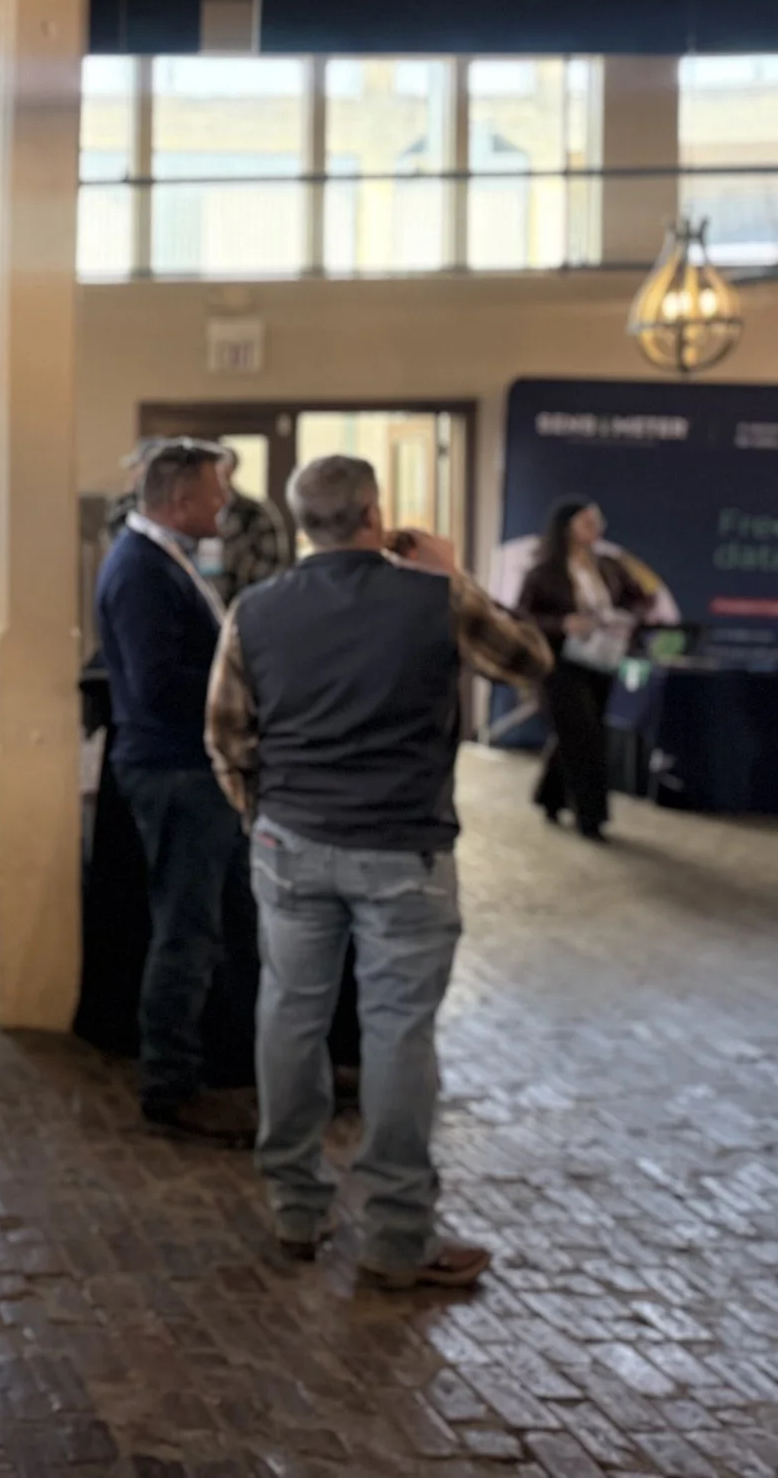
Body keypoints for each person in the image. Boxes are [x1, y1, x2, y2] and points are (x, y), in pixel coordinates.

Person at [207, 455, 551, 1291]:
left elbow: (226, 734)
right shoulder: (436, 600)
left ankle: (295, 1205)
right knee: (398, 1030)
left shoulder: (254, 610)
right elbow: (531, 661)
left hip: (292, 839)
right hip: (405, 844)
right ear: (375, 512)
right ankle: (398, 1234)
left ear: (300, 522)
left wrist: (262, 816)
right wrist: (449, 570)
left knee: (289, 1013)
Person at [94, 442, 257, 1144]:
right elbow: (158, 684)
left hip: (187, 768)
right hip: (174, 769)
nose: (226, 504)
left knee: (212, 923)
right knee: (186, 931)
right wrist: (243, 683)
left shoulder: (162, 559)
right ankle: (171, 1083)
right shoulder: (140, 570)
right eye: (216, 491)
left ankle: (213, 1065)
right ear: (183, 497)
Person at [515, 498, 651, 842]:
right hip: (560, 665)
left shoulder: (609, 565)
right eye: (587, 522)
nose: (596, 528)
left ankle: (549, 797)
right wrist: (563, 623)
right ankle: (591, 817)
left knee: (578, 733)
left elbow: (640, 598)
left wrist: (626, 617)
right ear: (567, 528)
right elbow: (523, 618)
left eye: (597, 521)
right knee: (584, 736)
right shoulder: (544, 572)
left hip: (602, 660)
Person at [215, 447, 294, 607]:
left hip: (244, 608)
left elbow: (274, 568)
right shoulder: (186, 512)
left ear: (230, 470)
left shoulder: (255, 513)